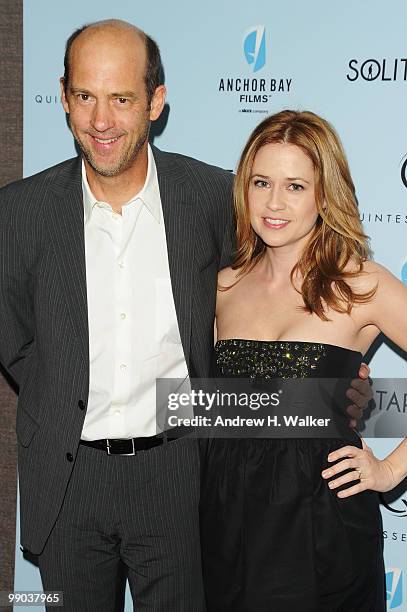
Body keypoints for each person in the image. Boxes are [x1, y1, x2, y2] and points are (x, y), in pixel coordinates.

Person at [0, 20, 371, 612]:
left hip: (182, 475)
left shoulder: (213, 198)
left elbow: (276, 304)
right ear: (64, 97)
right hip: (67, 485)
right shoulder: (18, 213)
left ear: (155, 102)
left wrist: (326, 385)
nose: (101, 121)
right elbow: (18, 343)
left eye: (121, 98)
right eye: (85, 97)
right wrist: (62, 387)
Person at [199, 110, 407, 612]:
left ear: (324, 194)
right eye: (261, 182)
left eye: (295, 186)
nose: (273, 203)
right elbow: (198, 408)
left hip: (325, 528)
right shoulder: (221, 287)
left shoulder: (362, 284)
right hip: (227, 525)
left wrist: (389, 471)